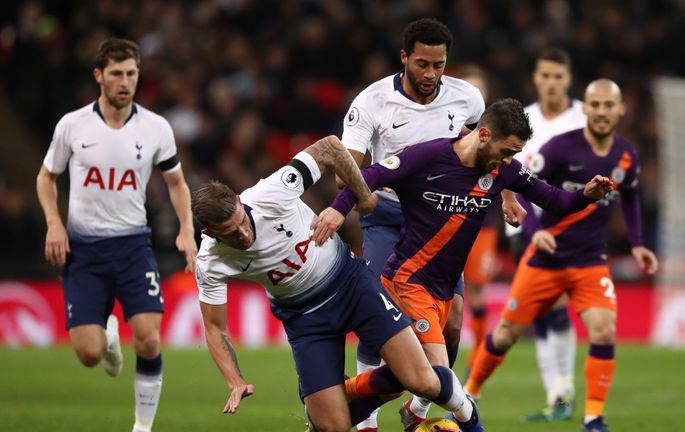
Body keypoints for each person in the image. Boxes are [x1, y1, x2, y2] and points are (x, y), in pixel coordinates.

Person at [315, 98, 614, 431]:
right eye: (506, 151)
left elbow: (553, 198)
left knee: (404, 378)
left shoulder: (503, 171)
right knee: (437, 377)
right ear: (484, 135)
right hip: (408, 280)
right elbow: (370, 175)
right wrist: (338, 210)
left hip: (443, 287)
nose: (509, 160)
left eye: (514, 154)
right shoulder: (427, 156)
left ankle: (334, 403)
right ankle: (471, 424)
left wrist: (586, 195)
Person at [191, 135, 483, 432]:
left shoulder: (271, 192)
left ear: (240, 202)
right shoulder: (210, 260)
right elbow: (215, 328)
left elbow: (329, 147)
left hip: (350, 284)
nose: (242, 234)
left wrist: (362, 193)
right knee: (333, 427)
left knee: (422, 380)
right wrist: (235, 381)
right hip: (305, 319)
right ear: (210, 233)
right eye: (230, 232)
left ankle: (472, 421)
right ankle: (330, 402)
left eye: (241, 221)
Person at [339, 18, 526, 432]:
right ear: (404, 57)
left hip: (441, 219)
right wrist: (359, 192)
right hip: (388, 216)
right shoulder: (371, 102)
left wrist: (509, 193)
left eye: (439, 65)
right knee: (379, 320)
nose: (430, 74)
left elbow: (493, 147)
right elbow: (347, 166)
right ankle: (365, 421)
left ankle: (417, 412)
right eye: (422, 64)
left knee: (454, 321)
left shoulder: (467, 98)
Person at [464, 80, 659, 432]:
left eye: (607, 105)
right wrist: (535, 230)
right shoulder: (559, 148)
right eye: (595, 104)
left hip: (589, 261)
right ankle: (469, 395)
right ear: (584, 109)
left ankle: (593, 417)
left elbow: (629, 196)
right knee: (506, 335)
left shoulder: (626, 155)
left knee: (603, 330)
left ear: (620, 110)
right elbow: (522, 186)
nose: (601, 111)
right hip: (545, 260)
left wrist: (638, 243)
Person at [35, 38, 197, 432]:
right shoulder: (73, 125)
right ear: (99, 76)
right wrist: (54, 223)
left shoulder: (156, 128)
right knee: (89, 354)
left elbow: (176, 183)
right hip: (84, 251)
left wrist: (187, 229)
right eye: (116, 74)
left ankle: (142, 426)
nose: (125, 82)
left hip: (132, 247)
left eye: (131, 74)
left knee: (147, 340)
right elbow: (46, 177)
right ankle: (106, 335)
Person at [503, 47, 588, 421]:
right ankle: (558, 394)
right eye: (545, 76)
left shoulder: (585, 116)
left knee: (552, 305)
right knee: (540, 309)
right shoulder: (523, 120)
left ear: (567, 79)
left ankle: (563, 391)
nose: (551, 83)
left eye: (558, 76)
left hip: (572, 227)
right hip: (526, 225)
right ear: (536, 78)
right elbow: (507, 170)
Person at [453, 65, 500, 369]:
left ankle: (478, 356)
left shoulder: (496, 133)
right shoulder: (443, 128)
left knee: (479, 292)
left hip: (484, 223)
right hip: (449, 220)